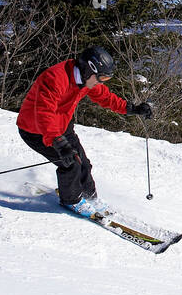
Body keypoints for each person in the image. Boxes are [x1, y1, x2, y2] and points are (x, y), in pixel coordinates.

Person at [17, 45, 153, 211]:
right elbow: (44, 113)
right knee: (71, 163)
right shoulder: (55, 78)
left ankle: (90, 198)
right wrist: (58, 142)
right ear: (90, 70)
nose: (101, 82)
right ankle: (71, 200)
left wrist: (132, 109)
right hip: (36, 130)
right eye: (101, 78)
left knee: (84, 165)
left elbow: (105, 97)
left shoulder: (86, 80)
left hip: (62, 126)